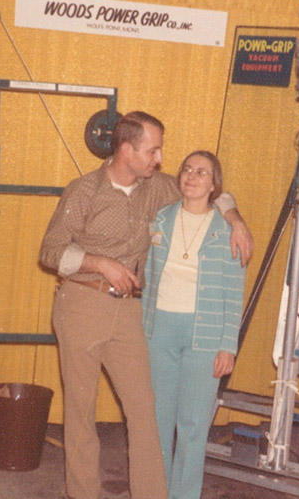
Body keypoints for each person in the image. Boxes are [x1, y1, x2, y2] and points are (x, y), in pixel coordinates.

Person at [39, 111, 252, 499]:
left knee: (145, 412)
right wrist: (98, 262)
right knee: (81, 412)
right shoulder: (84, 190)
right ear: (126, 150)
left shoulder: (156, 188)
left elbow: (212, 190)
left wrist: (235, 219)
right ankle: (83, 493)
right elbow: (51, 252)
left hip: (129, 313)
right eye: (152, 151)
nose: (159, 159)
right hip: (81, 304)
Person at [141, 150, 246, 499]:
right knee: (156, 424)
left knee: (193, 427)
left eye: (202, 172)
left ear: (214, 185)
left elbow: (235, 292)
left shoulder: (226, 230)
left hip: (205, 338)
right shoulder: (160, 218)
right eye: (187, 169)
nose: (192, 176)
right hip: (159, 333)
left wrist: (228, 346)